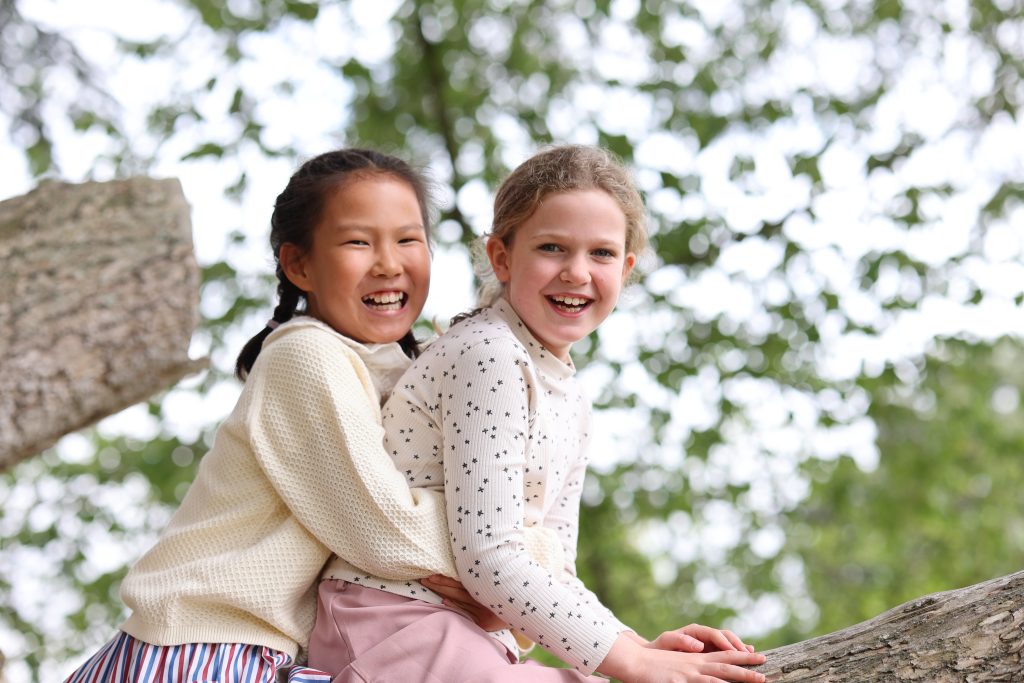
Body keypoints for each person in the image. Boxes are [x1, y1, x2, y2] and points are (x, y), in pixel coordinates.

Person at [63, 148, 562, 683]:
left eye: (407, 239)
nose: (388, 263)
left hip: (273, 654)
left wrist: (511, 587)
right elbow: (383, 527)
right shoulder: (306, 355)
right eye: (358, 242)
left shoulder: (409, 372)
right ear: (299, 265)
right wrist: (523, 556)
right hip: (202, 643)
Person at [309, 145, 768, 683]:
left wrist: (637, 645)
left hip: (466, 633)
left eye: (601, 254)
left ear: (625, 269)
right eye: (552, 248)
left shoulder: (571, 399)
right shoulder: (488, 354)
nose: (577, 272)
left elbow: (554, 569)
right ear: (501, 257)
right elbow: (489, 556)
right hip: (392, 625)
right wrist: (636, 662)